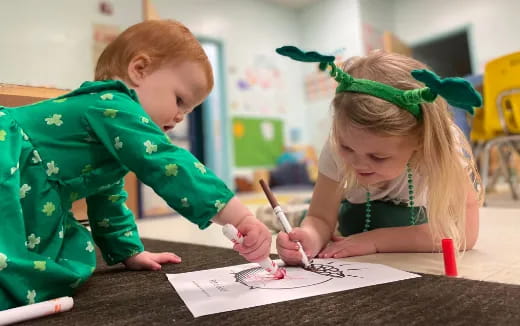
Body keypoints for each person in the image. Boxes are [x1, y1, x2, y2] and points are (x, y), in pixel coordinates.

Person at [0, 20, 271, 310]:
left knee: (60, 260)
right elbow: (168, 163)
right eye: (179, 100)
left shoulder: (110, 134)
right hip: (7, 156)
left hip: (29, 186)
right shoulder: (113, 103)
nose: (181, 117)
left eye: (188, 110)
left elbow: (108, 199)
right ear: (139, 70)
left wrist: (129, 251)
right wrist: (239, 217)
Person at [274, 46, 483, 265]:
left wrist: (376, 240)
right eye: (347, 149)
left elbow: (465, 232)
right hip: (350, 211)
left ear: (419, 142)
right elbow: (320, 216)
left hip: (403, 220)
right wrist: (310, 237)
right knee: (298, 215)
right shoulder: (339, 143)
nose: (358, 163)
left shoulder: (440, 144)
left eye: (378, 157)